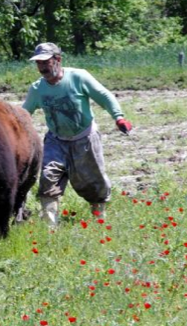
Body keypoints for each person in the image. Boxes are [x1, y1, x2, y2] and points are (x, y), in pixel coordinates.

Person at [22, 42, 132, 224]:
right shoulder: (37, 89)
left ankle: (99, 220)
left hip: (85, 138)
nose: (42, 67)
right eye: (39, 63)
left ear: (58, 60)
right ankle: (51, 226)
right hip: (56, 140)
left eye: (46, 62)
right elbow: (25, 114)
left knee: (94, 182)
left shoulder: (78, 77)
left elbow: (104, 96)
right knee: (48, 177)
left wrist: (118, 117)